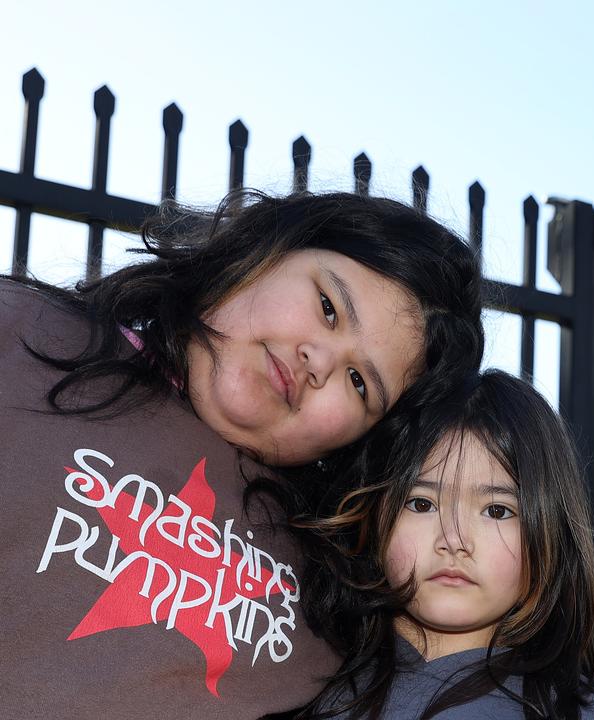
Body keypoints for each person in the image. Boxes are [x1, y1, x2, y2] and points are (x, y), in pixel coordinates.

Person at [0, 190, 483, 719]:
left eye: (359, 382)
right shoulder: (21, 332)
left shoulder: (332, 589)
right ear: (264, 251)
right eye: (327, 306)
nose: (317, 361)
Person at [283, 370, 594, 719]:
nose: (454, 540)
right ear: (374, 517)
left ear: (549, 530)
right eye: (421, 504)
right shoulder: (293, 679)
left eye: (497, 511)